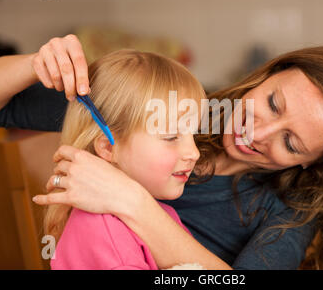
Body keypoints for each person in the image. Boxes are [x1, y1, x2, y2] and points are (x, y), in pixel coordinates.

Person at [0, 34, 323, 269]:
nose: (257, 132)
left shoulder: (290, 208)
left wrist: (132, 203)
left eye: (291, 143)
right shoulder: (177, 104)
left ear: (314, 161)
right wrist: (36, 63)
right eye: (272, 103)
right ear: (266, 75)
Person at [45, 48, 206, 269]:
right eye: (171, 137)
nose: (194, 153)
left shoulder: (156, 214)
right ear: (108, 147)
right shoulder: (105, 236)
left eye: (193, 134)